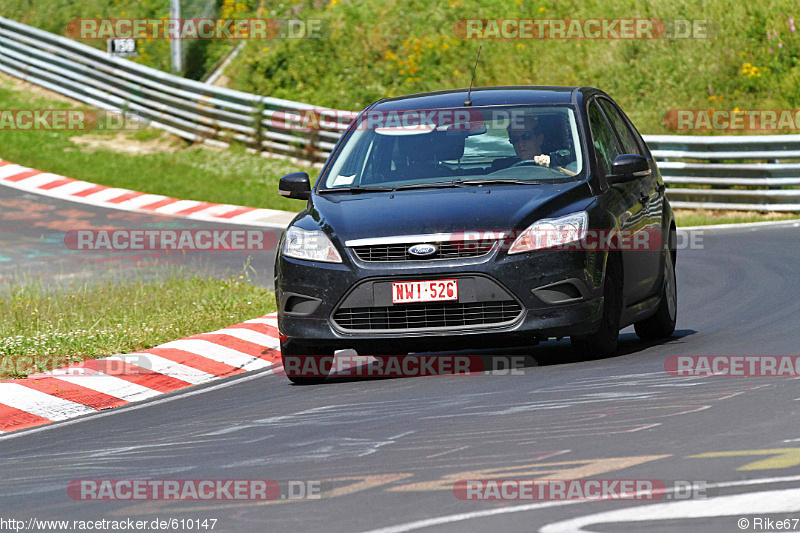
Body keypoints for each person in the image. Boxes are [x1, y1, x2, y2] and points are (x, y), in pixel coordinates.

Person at [491, 115, 576, 175]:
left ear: (539, 139)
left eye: (526, 137)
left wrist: (554, 167)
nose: (520, 143)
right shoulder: (500, 167)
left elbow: (577, 179)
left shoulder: (562, 162)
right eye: (515, 140)